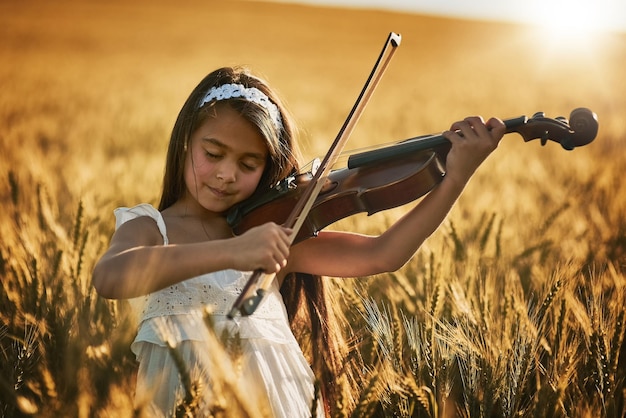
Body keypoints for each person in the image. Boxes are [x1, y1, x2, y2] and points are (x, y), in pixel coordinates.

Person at [92, 66, 505, 417]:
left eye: (248, 164)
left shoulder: (276, 233)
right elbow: (110, 278)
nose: (226, 175)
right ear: (185, 143)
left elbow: (384, 254)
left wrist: (456, 177)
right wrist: (233, 251)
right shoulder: (151, 229)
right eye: (213, 154)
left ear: (268, 167)